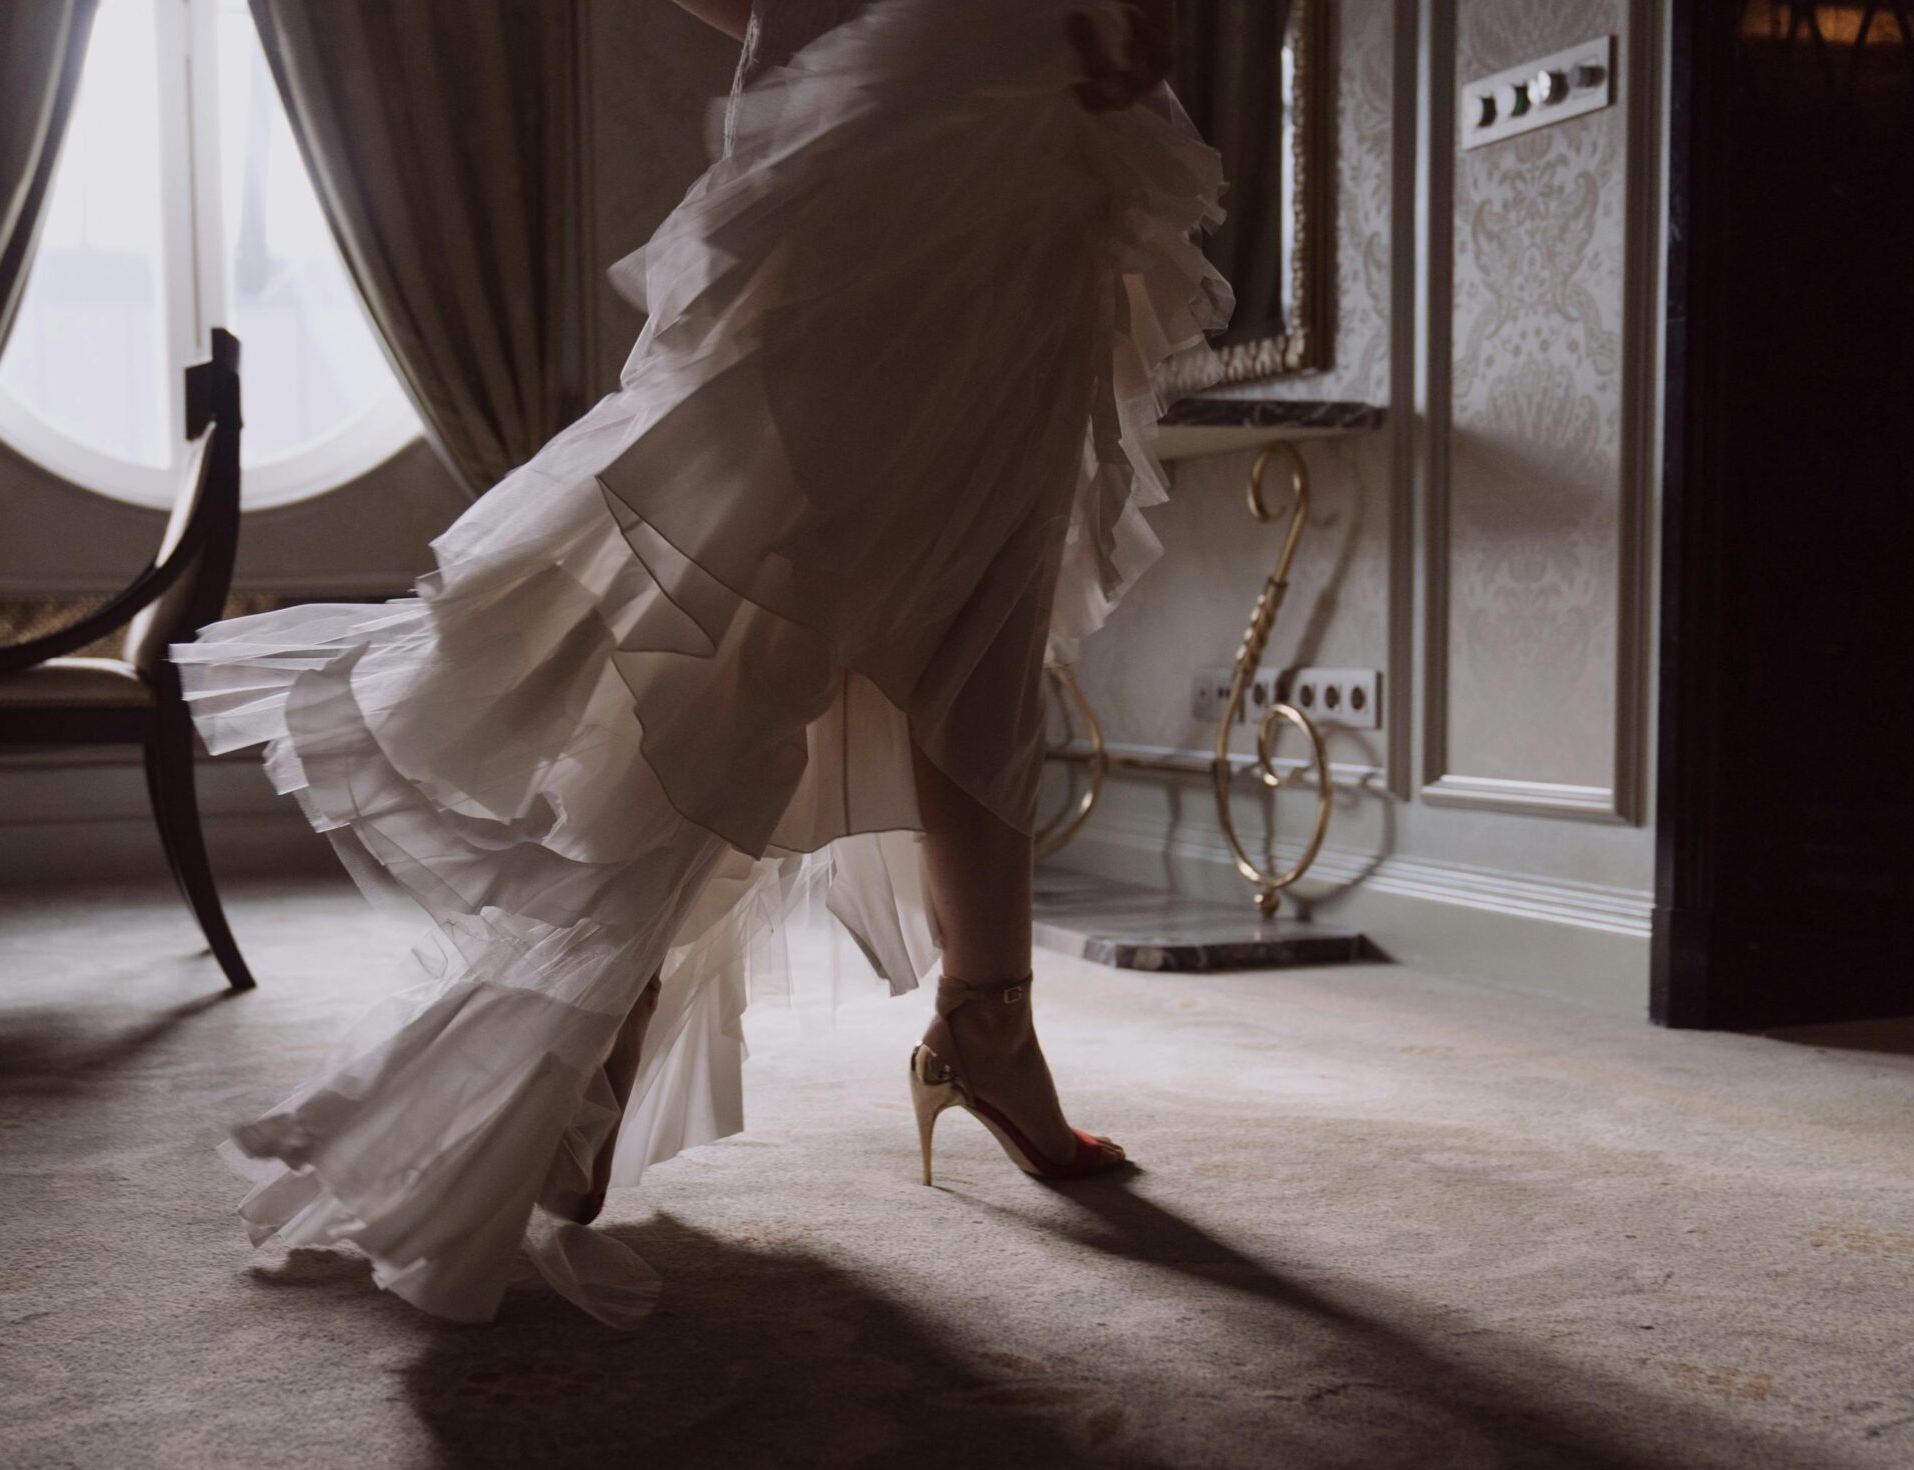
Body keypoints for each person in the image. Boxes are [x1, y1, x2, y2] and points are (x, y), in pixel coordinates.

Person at [176, 0, 1228, 1326]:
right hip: (909, 125)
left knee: (958, 617)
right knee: (768, 600)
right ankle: (619, 1028)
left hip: (1017, 140)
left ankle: (964, 1020)